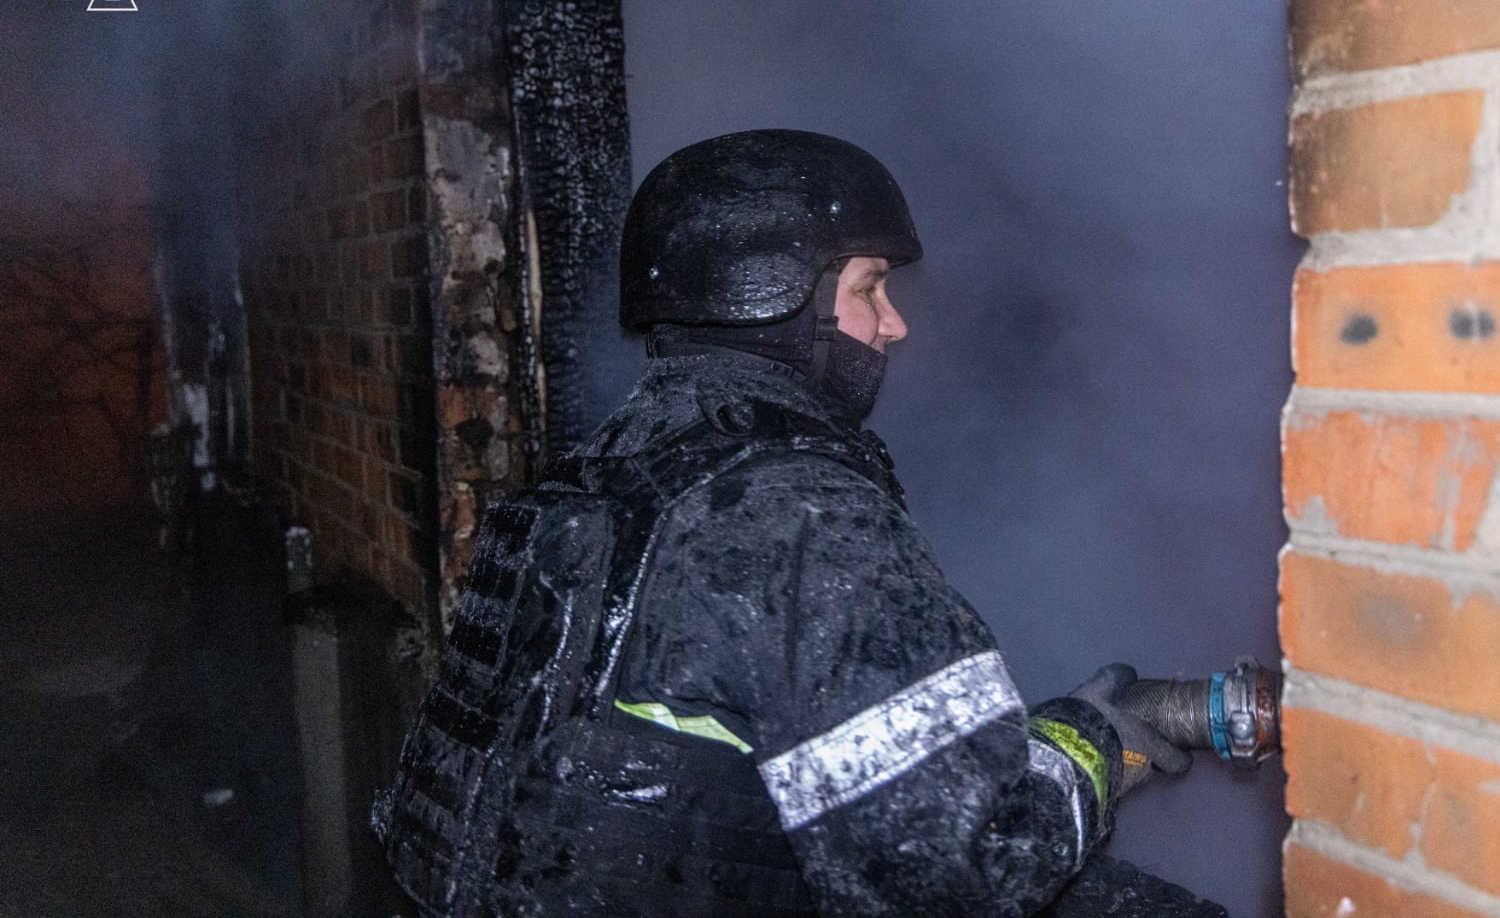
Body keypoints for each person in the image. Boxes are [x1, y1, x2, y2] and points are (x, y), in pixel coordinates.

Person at [374, 129, 1214, 916]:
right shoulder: (794, 514)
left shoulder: (589, 479)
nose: (894, 323)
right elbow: (961, 860)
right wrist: (1098, 738)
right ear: (776, 298)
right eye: (868, 287)